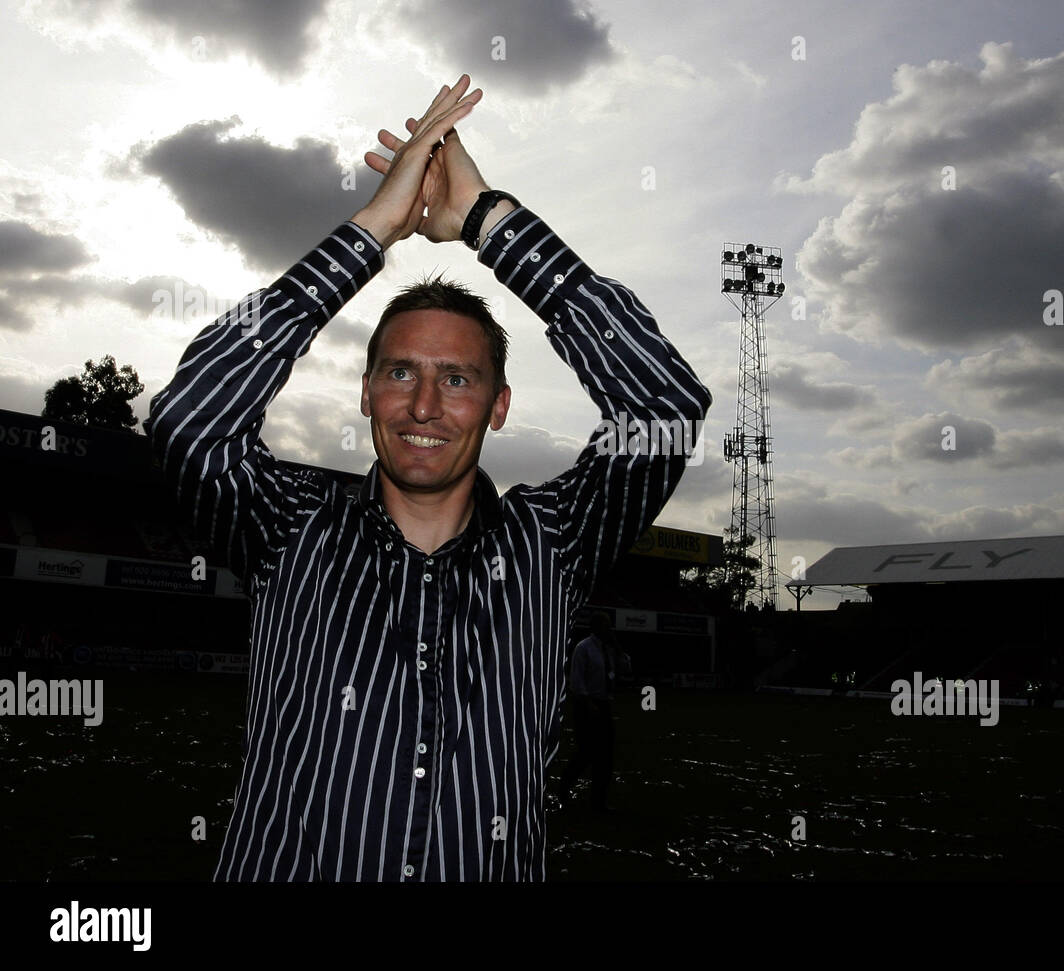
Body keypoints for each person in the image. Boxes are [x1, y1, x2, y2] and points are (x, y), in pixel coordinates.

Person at [143, 75, 711, 880]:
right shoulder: (289, 526)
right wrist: (372, 229)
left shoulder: (552, 542)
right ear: (367, 391)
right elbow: (190, 419)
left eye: (458, 379)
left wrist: (488, 221)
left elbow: (665, 402)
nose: (424, 403)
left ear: (499, 405)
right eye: (400, 372)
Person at [556, 612, 621, 812]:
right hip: (586, 705)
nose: (609, 629)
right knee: (586, 753)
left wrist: (617, 647)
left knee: (605, 756)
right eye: (606, 625)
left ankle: (598, 801)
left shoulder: (608, 649)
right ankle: (564, 787)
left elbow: (624, 666)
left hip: (603, 703)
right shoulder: (583, 648)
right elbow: (576, 680)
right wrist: (588, 704)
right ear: (596, 627)